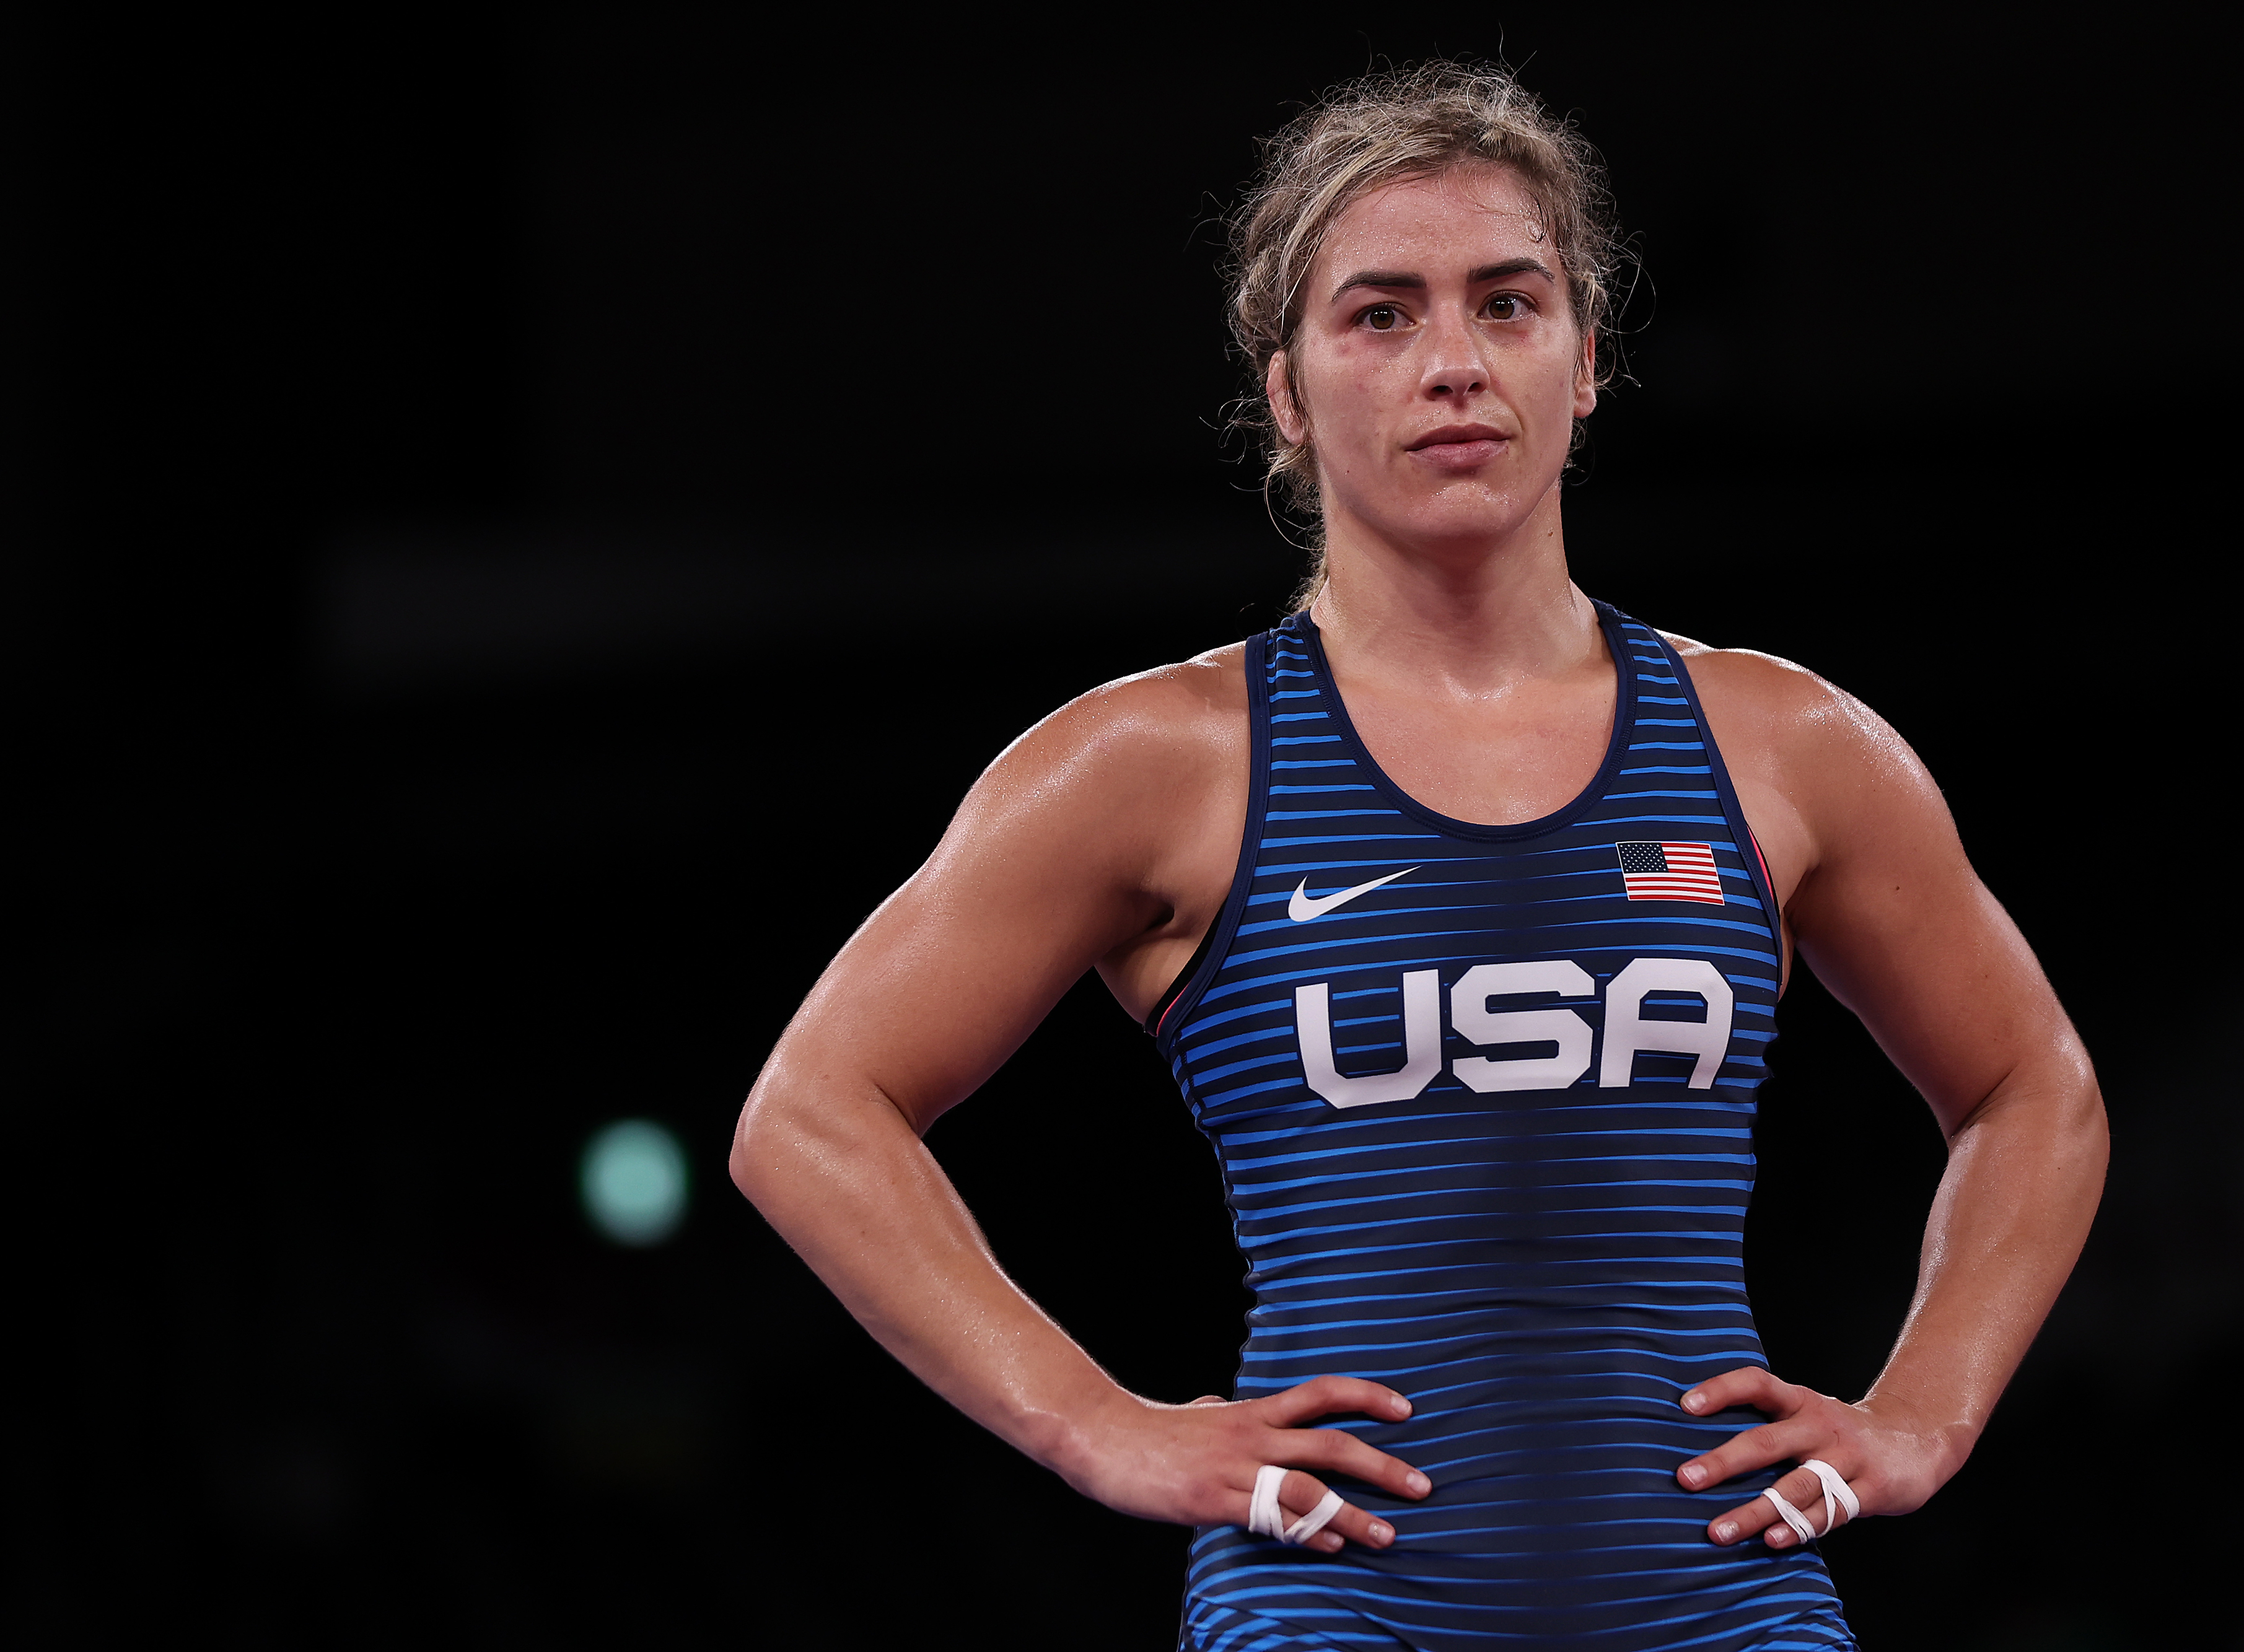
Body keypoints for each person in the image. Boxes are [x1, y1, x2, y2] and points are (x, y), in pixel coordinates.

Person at [729, 63, 2105, 1651]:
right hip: (1338, 1612)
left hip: (1725, 1605)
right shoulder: (1161, 761)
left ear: (1587, 362)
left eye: (1506, 303)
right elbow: (807, 1118)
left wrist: (1924, 1413)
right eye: (1379, 314)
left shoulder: (1778, 745)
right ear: (1288, 392)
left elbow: (2034, 1090)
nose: (1451, 361)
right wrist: (1086, 1419)